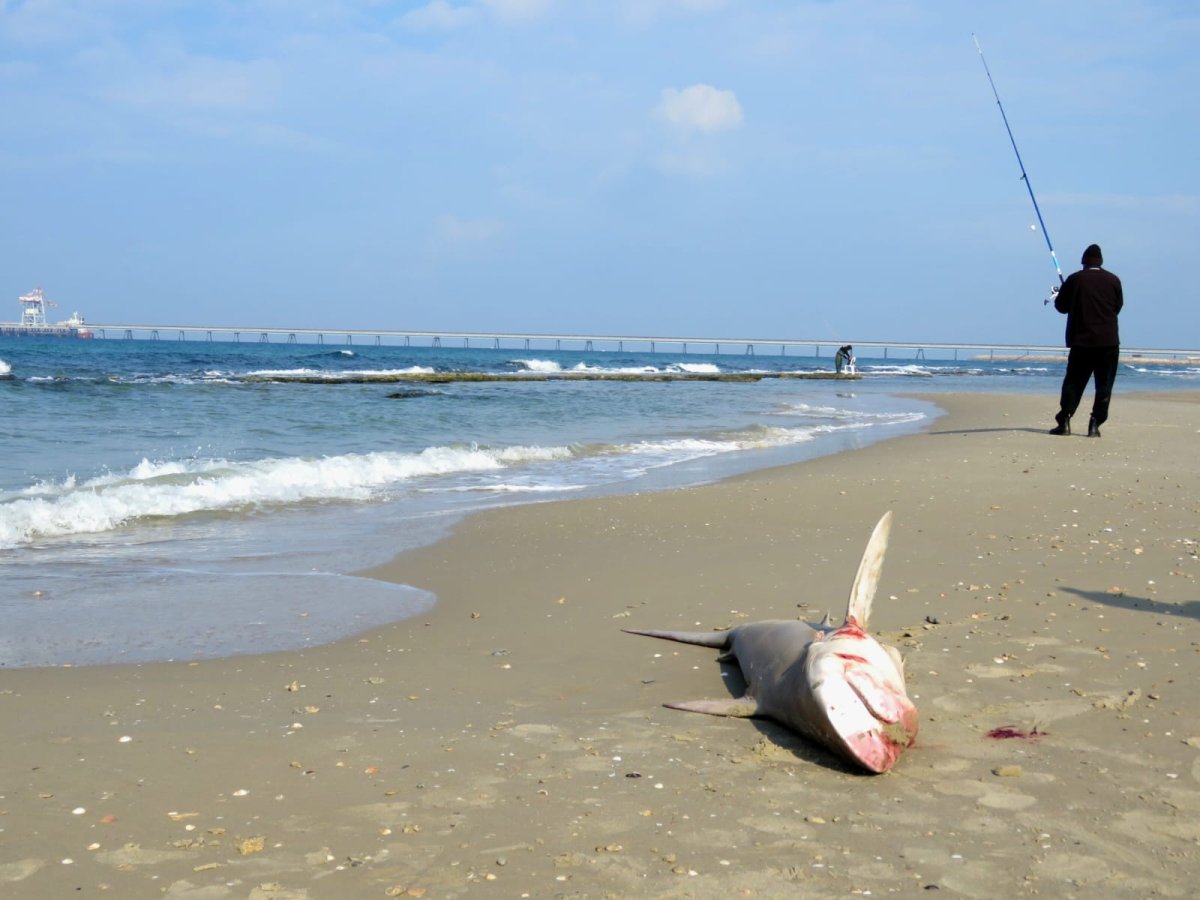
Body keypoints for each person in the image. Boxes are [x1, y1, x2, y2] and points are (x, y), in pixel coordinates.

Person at [1049, 243, 1123, 437]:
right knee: (1104, 385)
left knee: (1074, 382)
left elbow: (1061, 307)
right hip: (1108, 342)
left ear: (1083, 261)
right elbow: (1117, 306)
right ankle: (1095, 424)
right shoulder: (1113, 280)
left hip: (1081, 342)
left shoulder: (1074, 280)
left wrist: (1062, 294)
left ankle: (1064, 420)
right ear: (1101, 261)